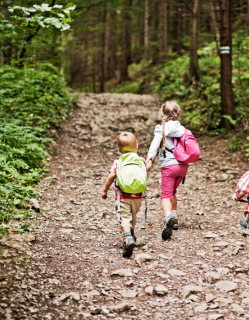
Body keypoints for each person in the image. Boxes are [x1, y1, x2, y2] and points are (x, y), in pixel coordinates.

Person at [146, 101, 188, 240]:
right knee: (173, 192)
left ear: (163, 114)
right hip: (182, 166)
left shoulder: (161, 128)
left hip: (169, 166)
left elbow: (155, 143)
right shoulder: (182, 129)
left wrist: (150, 158)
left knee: (166, 195)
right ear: (178, 114)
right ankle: (174, 219)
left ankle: (168, 218)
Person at [102, 132, 147, 257]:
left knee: (124, 217)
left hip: (123, 196)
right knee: (133, 215)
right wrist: (150, 161)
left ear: (119, 150)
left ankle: (127, 238)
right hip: (138, 196)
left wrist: (105, 189)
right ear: (136, 147)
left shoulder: (118, 161)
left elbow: (111, 175)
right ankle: (131, 234)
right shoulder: (141, 160)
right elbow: (146, 168)